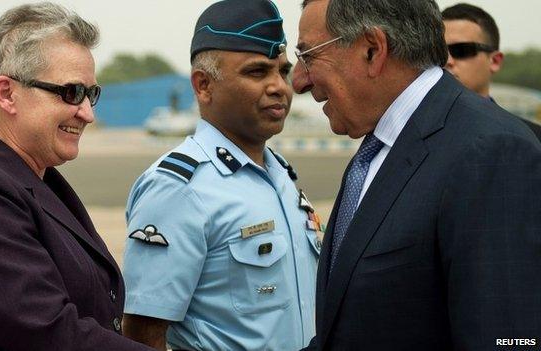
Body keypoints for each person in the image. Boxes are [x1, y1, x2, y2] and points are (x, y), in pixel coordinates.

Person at [292, 0, 541, 349]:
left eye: (308, 55)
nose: (298, 80)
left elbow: (506, 338)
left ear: (372, 50)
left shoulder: (490, 152)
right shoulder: (376, 150)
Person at [0, 3, 152, 350]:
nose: (86, 112)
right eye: (71, 92)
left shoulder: (36, 179)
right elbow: (49, 332)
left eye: (91, 94)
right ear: (7, 94)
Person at [122, 1, 320, 350]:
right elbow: (142, 332)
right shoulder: (179, 189)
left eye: (283, 71)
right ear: (203, 86)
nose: (279, 87)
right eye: (257, 72)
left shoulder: (279, 174)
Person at [442, 3, 541, 139]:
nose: (447, 61)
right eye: (439, 52)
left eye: (461, 50)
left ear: (495, 61)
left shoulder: (532, 139)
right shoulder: (408, 134)